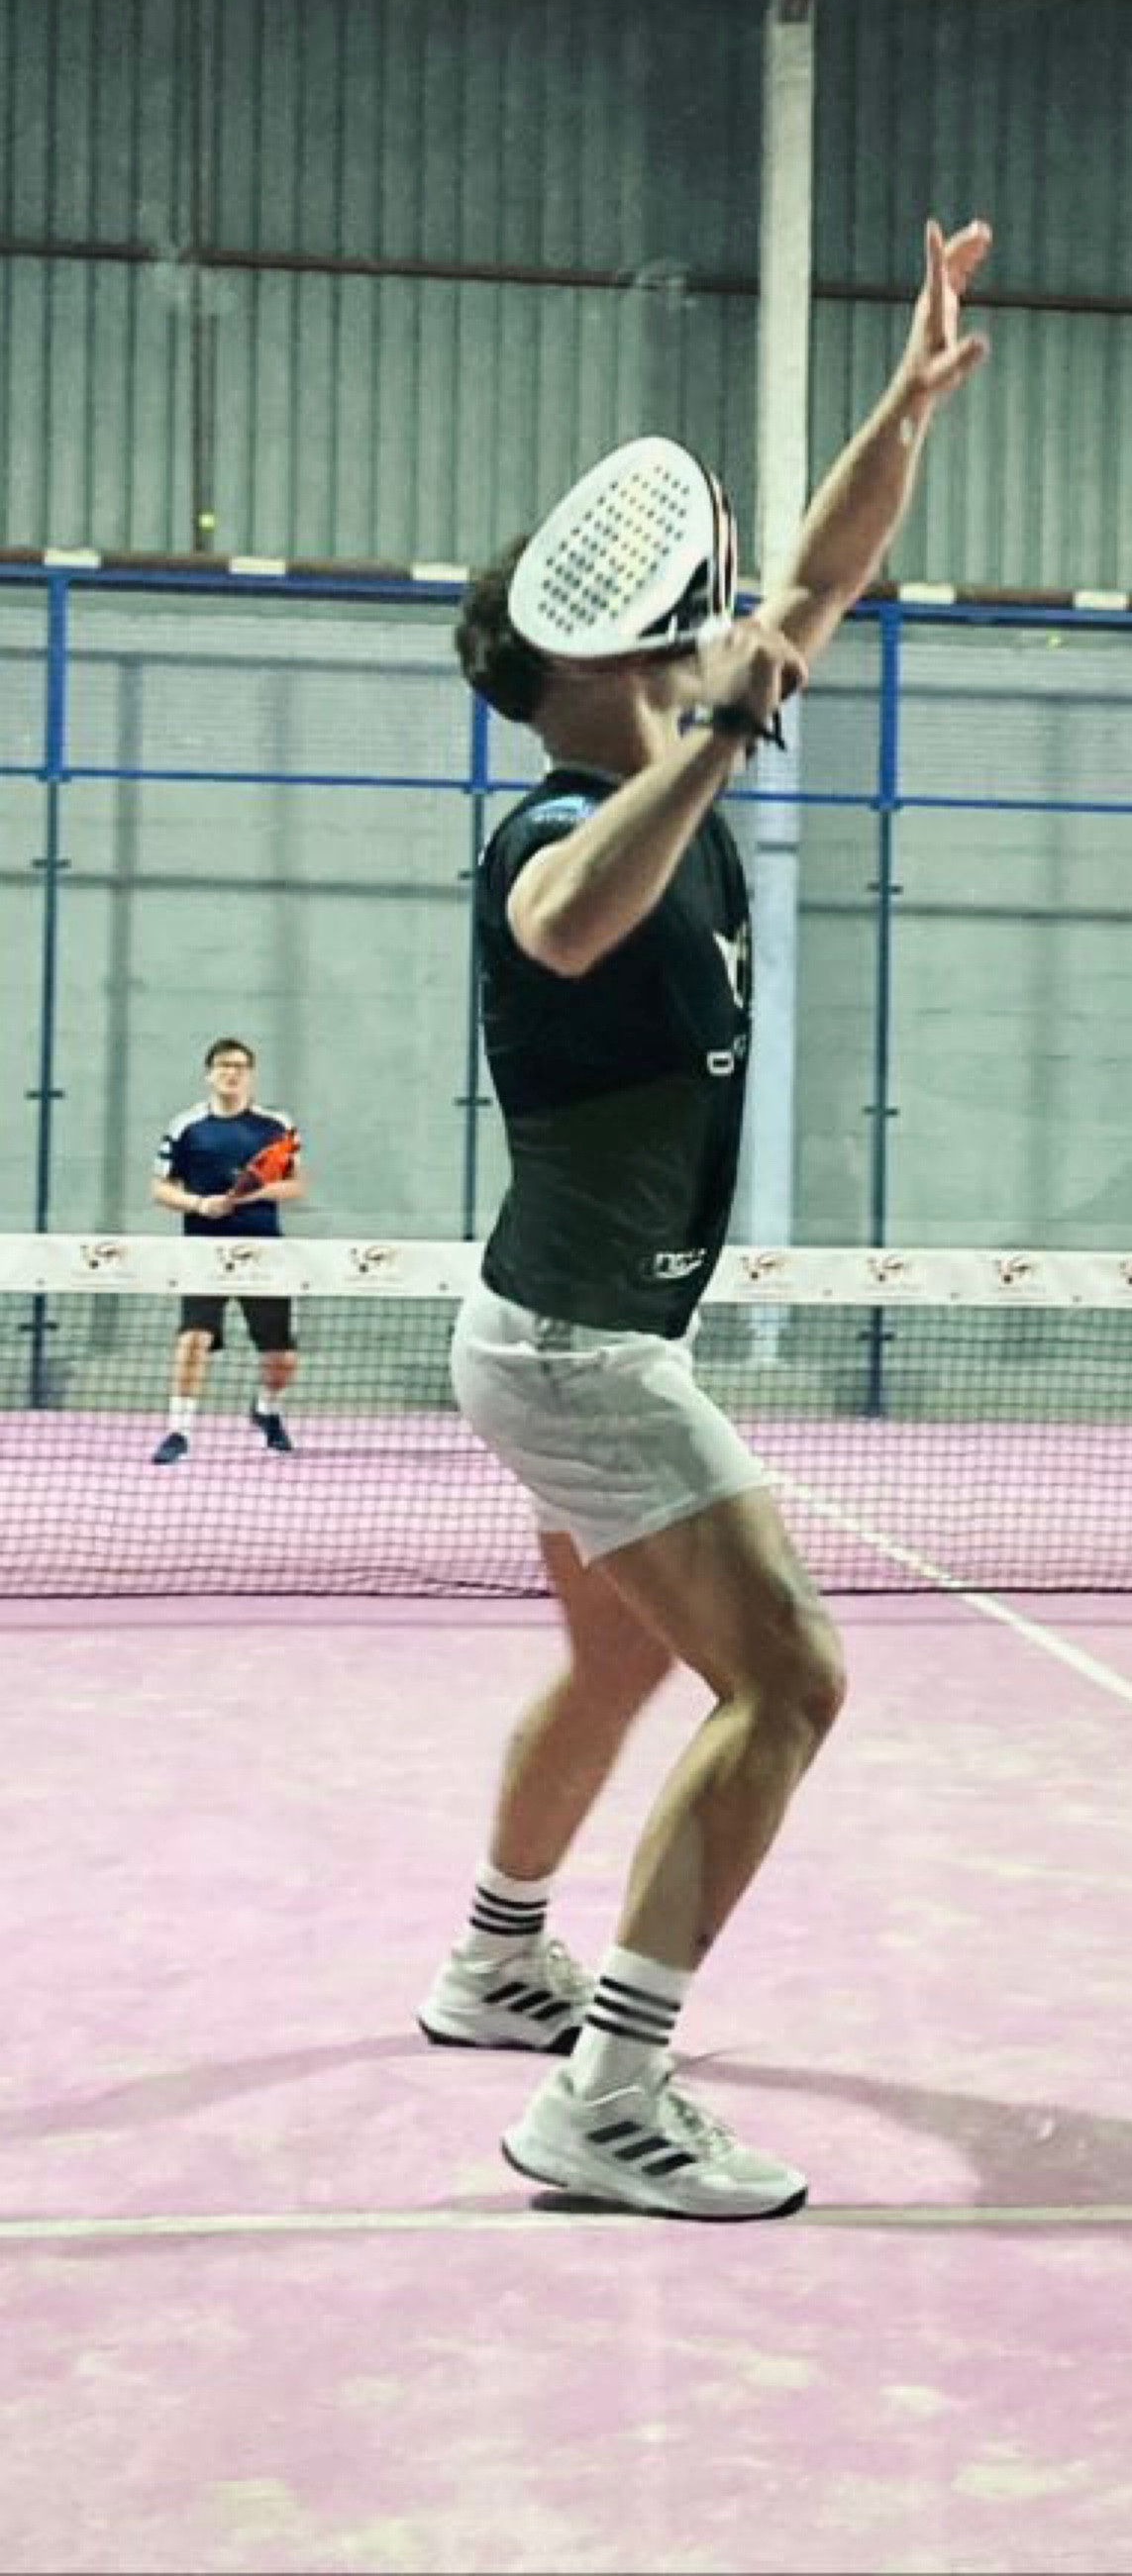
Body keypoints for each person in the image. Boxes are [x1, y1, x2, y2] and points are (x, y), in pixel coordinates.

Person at [419, 215, 991, 2222]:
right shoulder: (561, 821)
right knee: (793, 1678)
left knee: (614, 1661)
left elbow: (819, 578)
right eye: (667, 635)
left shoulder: (674, 750)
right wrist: (726, 727)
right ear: (593, 656)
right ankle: (609, 2095)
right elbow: (567, 925)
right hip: (578, 1348)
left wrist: (903, 404)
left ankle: (496, 1957)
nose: (708, 638)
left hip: (559, 1331)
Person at [149, 1037, 305, 1463]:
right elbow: (160, 1188)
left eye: (239, 1066)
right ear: (209, 1073)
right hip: (203, 1253)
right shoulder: (186, 1127)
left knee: (282, 1358)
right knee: (193, 1340)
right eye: (223, 1065)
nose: (231, 1073)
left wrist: (251, 1194)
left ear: (249, 1074)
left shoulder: (276, 1126)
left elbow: (295, 1185)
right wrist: (200, 1204)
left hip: (264, 1253)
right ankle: (178, 1431)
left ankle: (266, 1410)